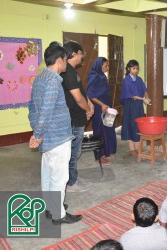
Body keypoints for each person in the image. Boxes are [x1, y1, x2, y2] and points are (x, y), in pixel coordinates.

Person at [28, 44, 82, 224]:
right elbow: (45, 110)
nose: (67, 63)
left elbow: (32, 107)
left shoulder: (40, 78)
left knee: (48, 174)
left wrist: (36, 132)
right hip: (57, 137)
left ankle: (52, 207)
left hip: (47, 137)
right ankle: (58, 215)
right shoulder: (52, 81)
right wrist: (38, 134)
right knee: (60, 176)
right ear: (60, 60)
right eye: (66, 60)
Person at [62, 40, 94, 193]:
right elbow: (77, 98)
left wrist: (89, 103)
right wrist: (88, 109)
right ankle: (71, 182)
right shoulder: (67, 71)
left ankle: (71, 178)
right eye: (81, 54)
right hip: (73, 119)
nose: (82, 57)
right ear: (74, 53)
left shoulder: (72, 71)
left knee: (75, 152)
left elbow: (81, 91)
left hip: (77, 117)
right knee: (73, 153)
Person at [87, 57, 117, 165]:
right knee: (99, 131)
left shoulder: (102, 76)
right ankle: (99, 157)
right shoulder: (94, 76)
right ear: (99, 66)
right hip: (99, 107)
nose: (108, 68)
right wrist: (102, 105)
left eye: (108, 66)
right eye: (106, 66)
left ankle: (106, 152)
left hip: (106, 106)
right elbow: (90, 95)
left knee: (107, 128)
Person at [120, 60, 151, 157]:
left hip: (138, 106)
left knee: (138, 125)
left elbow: (144, 90)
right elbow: (131, 95)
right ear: (129, 69)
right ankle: (132, 149)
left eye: (137, 68)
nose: (136, 70)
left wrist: (147, 97)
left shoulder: (139, 79)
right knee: (130, 125)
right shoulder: (126, 81)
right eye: (133, 68)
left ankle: (138, 148)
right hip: (130, 106)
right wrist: (143, 99)